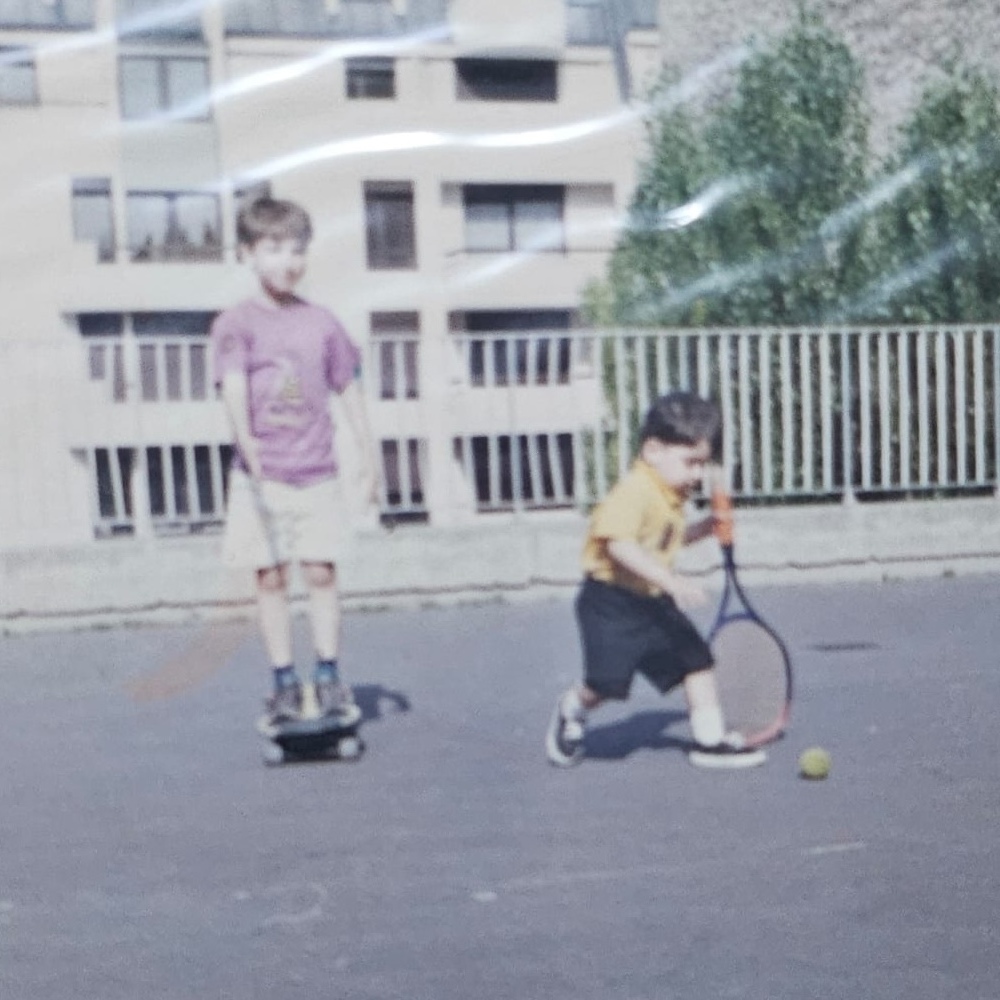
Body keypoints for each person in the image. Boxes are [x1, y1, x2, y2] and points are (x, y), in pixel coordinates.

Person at [211, 196, 378, 724]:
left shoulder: (322, 324)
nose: (288, 260)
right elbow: (234, 389)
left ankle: (327, 673)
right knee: (270, 578)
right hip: (262, 475)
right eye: (274, 248)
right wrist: (248, 445)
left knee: (321, 572)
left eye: (297, 249)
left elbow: (347, 388)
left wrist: (368, 453)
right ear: (248, 254)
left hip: (316, 473)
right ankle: (283, 679)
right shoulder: (236, 324)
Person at [545, 391, 767, 769]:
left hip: (651, 600)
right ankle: (571, 709)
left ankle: (710, 742)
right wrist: (673, 582)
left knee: (697, 661)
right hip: (610, 602)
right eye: (690, 462)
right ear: (653, 451)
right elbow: (619, 546)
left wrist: (704, 529)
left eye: (703, 463)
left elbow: (663, 538)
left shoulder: (669, 495)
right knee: (605, 685)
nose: (697, 474)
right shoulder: (635, 491)